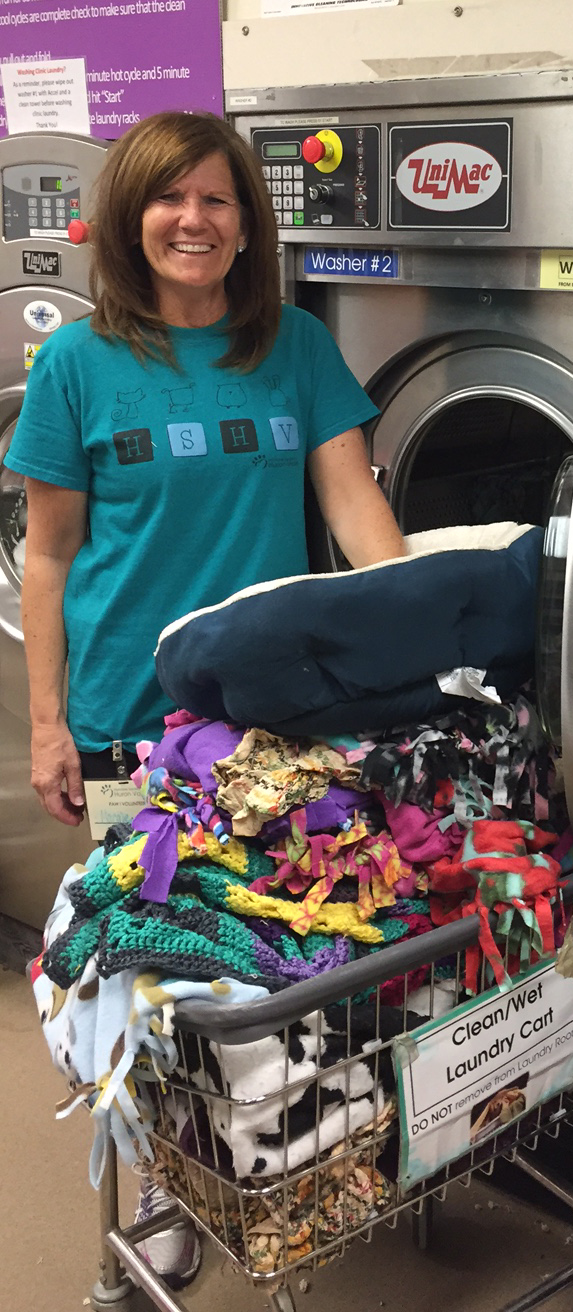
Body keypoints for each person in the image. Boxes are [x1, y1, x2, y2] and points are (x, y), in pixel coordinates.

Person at [7, 110, 405, 1287]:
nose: (195, 219)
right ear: (132, 218)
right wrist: (46, 724)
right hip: (133, 713)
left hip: (274, 718)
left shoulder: (290, 347)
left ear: (248, 222)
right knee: (156, 975)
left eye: (218, 198)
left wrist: (420, 622)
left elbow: (352, 504)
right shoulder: (78, 364)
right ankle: (166, 1193)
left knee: (269, 957)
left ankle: (283, 1165)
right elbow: (47, 553)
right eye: (170, 198)